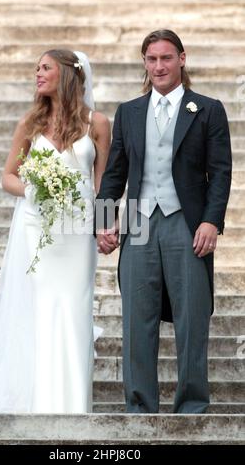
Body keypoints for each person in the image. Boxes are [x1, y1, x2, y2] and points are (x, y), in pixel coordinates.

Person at [0, 49, 111, 413]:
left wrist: (106, 224)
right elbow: (8, 176)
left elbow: (104, 184)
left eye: (45, 68)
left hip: (76, 233)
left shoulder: (97, 124)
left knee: (73, 308)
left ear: (68, 75)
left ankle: (71, 404)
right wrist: (35, 189)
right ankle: (34, 398)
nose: (37, 74)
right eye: (36, 68)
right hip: (35, 228)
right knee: (37, 309)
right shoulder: (30, 123)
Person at [95, 29, 232, 414]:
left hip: (186, 223)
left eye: (166, 58)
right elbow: (113, 175)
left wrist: (211, 222)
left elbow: (220, 173)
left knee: (192, 319)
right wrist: (105, 222)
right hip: (138, 223)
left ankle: (191, 405)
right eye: (152, 59)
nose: (159, 66)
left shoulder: (208, 109)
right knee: (137, 319)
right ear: (144, 62)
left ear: (182, 60)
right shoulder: (129, 111)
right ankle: (139, 406)